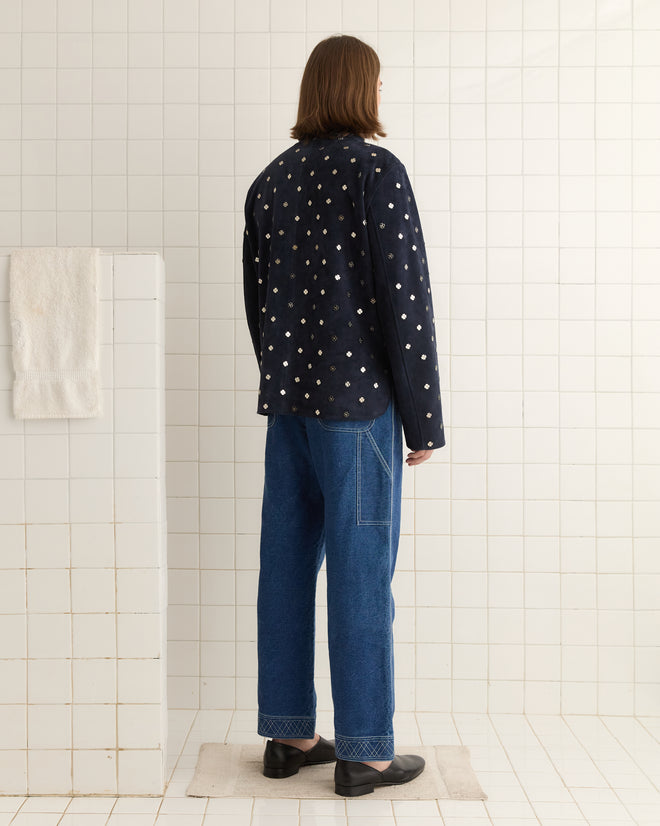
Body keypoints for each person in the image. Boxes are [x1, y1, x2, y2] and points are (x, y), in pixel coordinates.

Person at [242, 34, 445, 797]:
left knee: (286, 564)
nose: (382, 95)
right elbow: (406, 302)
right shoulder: (375, 173)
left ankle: (289, 735)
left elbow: (259, 303)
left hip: (288, 407)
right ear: (360, 89)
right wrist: (422, 420)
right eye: (379, 84)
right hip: (359, 412)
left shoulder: (272, 181)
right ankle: (366, 753)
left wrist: (281, 379)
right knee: (362, 576)